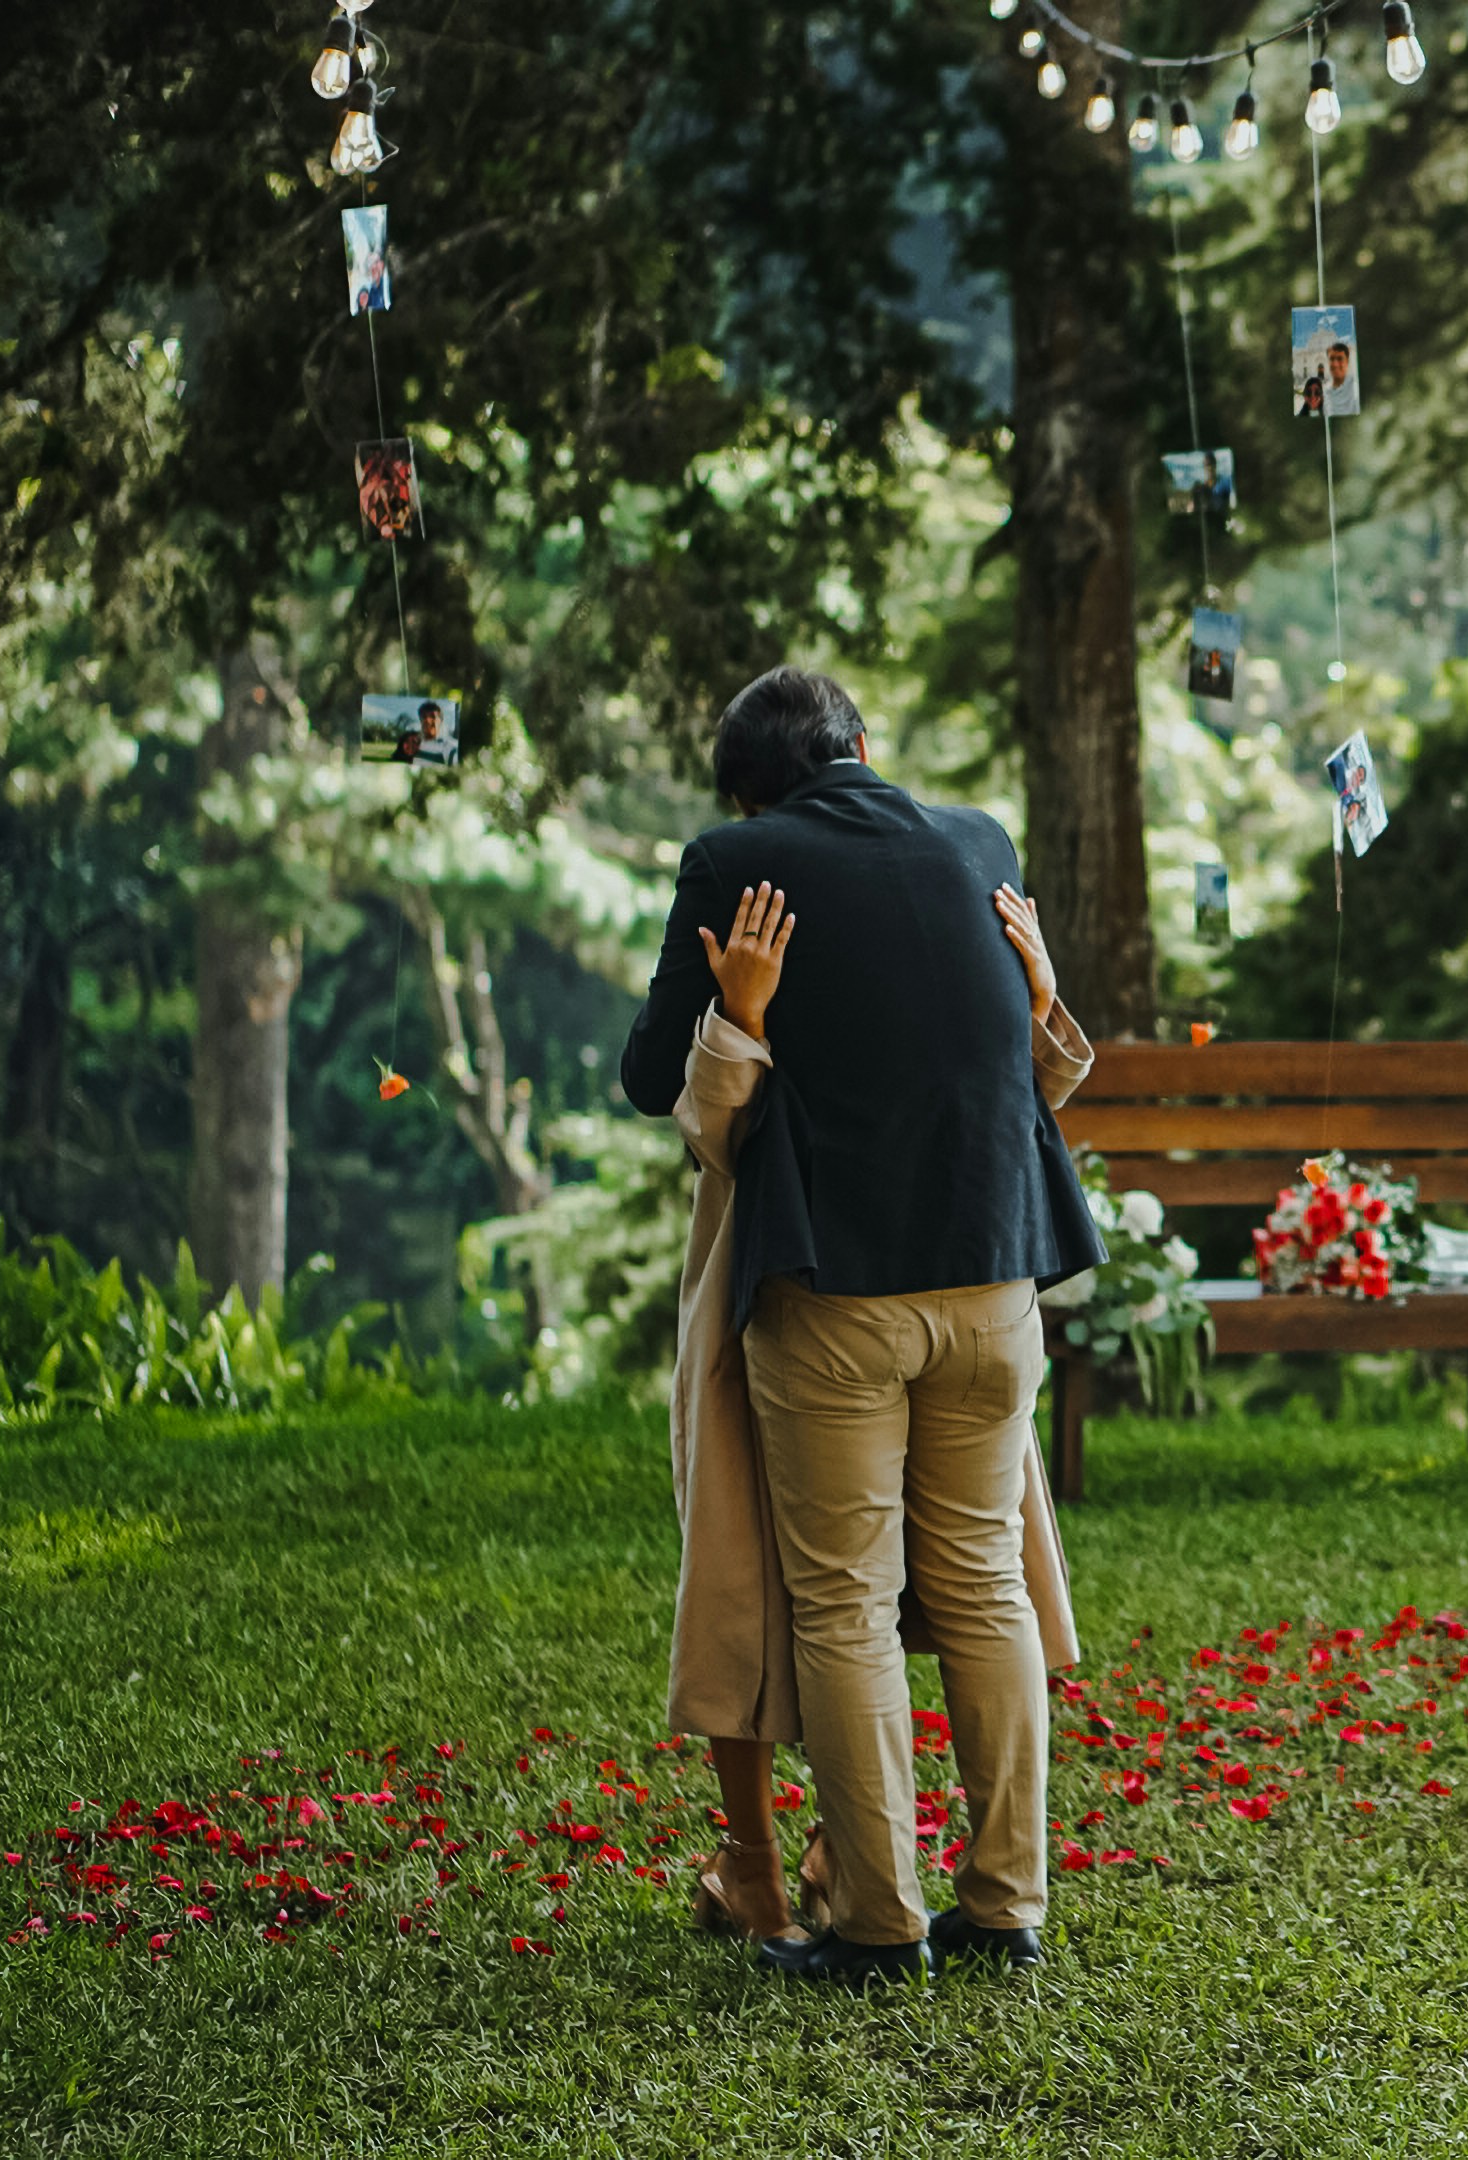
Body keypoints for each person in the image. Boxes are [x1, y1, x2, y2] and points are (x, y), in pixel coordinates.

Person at [621, 665, 1105, 1988]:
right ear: (866, 748)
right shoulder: (980, 843)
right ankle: (1007, 1908)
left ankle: (881, 1926)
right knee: (985, 1584)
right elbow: (1008, 1063)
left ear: (745, 792)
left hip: (834, 1297)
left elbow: (650, 1077)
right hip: (998, 1288)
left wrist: (744, 1018)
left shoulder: (736, 859)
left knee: (844, 1604)